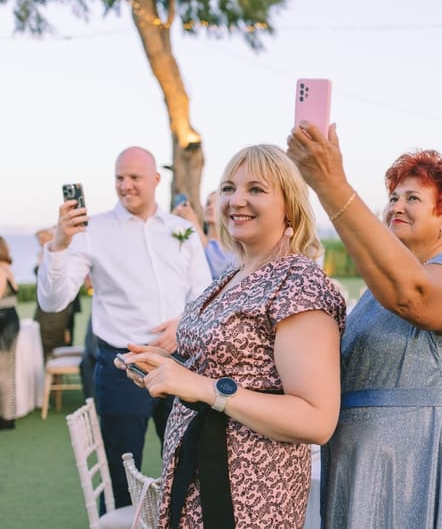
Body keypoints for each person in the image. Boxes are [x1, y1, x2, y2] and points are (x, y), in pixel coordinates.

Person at [287, 123, 442, 528]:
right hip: (367, 472)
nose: (397, 205)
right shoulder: (375, 293)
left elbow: (413, 296)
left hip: (425, 473)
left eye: (413, 198)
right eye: (393, 196)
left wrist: (331, 185)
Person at [119, 144, 346, 528]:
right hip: (194, 474)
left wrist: (203, 387)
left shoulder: (297, 282)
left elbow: (316, 420)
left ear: (289, 204)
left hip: (249, 493)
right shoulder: (230, 274)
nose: (236, 200)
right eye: (228, 188)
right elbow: (223, 368)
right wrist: (169, 368)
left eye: (256, 189)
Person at [36, 146, 211, 509]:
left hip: (181, 363)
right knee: (120, 474)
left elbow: (204, 294)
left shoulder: (182, 231)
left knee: (188, 466)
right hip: (121, 367)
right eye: (119, 178)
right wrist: (60, 244)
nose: (125, 185)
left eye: (134, 178)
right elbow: (53, 302)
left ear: (156, 180)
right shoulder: (91, 230)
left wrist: (182, 326)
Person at [33, 227, 81, 358]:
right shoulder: (40, 255)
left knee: (60, 342)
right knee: (40, 342)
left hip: (62, 309)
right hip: (43, 307)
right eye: (39, 240)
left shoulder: (65, 255)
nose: (41, 243)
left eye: (43, 239)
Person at [172, 190, 237, 278]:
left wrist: (193, 222)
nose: (210, 207)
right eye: (208, 203)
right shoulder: (191, 238)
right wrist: (172, 219)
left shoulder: (233, 248)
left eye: (217, 203)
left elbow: (217, 270)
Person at [0, 237, 20, 430]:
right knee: (6, 370)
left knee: (4, 371)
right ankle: (8, 414)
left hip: (3, 321)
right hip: (9, 319)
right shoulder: (7, 267)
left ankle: (6, 417)